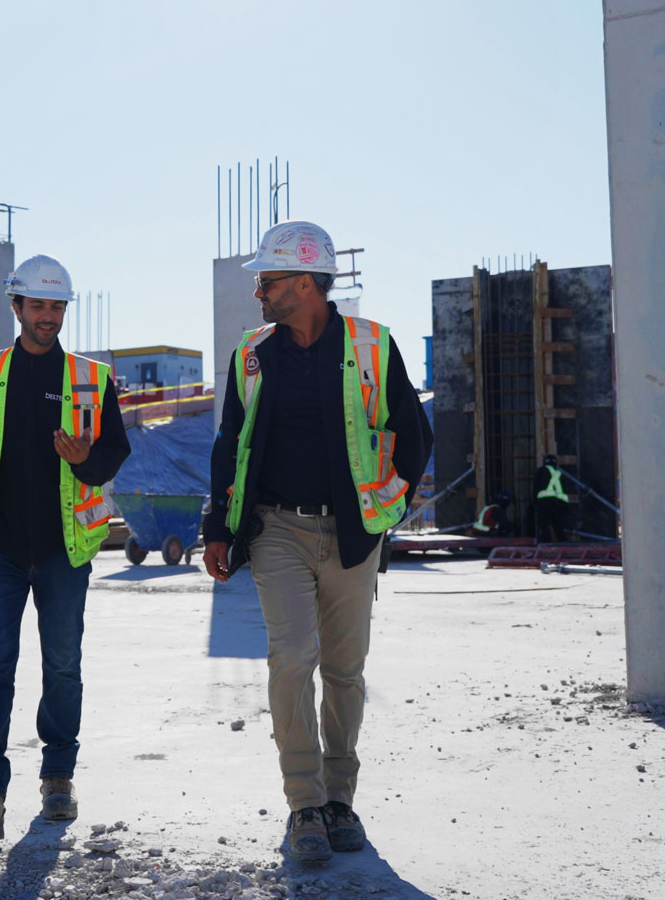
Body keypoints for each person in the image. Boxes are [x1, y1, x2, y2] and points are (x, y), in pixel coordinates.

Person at [200, 220, 432, 864]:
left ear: (306, 282)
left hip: (353, 534)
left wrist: (387, 509)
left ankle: (339, 800)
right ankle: (304, 803)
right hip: (277, 529)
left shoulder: (372, 347)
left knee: (344, 670)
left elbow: (413, 437)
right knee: (291, 658)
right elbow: (230, 444)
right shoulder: (252, 354)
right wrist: (217, 527)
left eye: (267, 281)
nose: (259, 293)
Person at [0, 254, 130, 839]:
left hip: (63, 548)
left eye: (57, 307)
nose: (48, 316)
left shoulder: (91, 379)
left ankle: (58, 780)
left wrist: (85, 461)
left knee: (62, 666)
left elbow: (112, 454)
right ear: (16, 306)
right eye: (38, 306)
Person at [535, 455, 575, 545]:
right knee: (559, 526)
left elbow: (535, 488)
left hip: (544, 503)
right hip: (558, 504)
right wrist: (566, 507)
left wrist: (535, 503)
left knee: (543, 526)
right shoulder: (560, 472)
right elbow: (565, 490)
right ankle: (564, 545)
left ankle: (546, 545)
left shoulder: (540, 471)